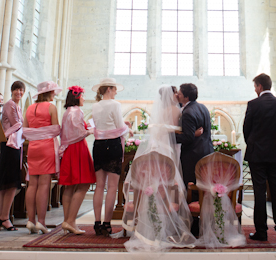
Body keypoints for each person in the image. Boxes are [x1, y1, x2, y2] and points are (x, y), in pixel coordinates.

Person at [122, 85, 196, 251]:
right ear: (171, 96)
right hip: (169, 149)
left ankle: (149, 222)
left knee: (155, 183)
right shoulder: (176, 110)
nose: (177, 94)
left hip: (157, 146)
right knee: (171, 185)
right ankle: (168, 224)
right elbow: (179, 132)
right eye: (175, 92)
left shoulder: (161, 111)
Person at [242, 73, 276, 241]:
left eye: (255, 86)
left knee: (259, 192)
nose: (255, 90)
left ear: (260, 86)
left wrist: (254, 143)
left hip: (257, 154)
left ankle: (261, 232)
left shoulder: (253, 105)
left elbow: (247, 129)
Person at [91, 78, 130, 236]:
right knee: (112, 187)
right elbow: (120, 128)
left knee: (99, 186)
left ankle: (96, 223)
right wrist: (128, 128)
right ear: (108, 89)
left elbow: (99, 125)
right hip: (113, 145)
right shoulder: (115, 104)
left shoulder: (95, 105)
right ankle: (107, 223)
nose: (115, 93)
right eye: (114, 90)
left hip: (98, 145)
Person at [23, 81, 61, 234]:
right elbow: (56, 129)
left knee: (32, 184)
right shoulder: (51, 107)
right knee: (44, 185)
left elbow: (25, 130)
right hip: (46, 147)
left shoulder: (30, 108)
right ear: (48, 93)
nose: (54, 94)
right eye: (53, 91)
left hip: (33, 148)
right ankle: (42, 222)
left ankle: (30, 220)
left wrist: (36, 133)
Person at [174, 83, 213, 236]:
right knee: (204, 187)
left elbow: (188, 137)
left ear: (186, 96)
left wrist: (169, 135)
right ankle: (206, 223)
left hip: (193, 156)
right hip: (207, 152)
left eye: (180, 93)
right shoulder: (202, 107)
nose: (178, 94)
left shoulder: (188, 112)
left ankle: (195, 227)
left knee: (193, 189)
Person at [58, 85, 96, 234]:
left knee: (69, 186)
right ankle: (71, 220)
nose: (84, 99)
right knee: (84, 184)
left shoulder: (67, 112)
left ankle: (68, 221)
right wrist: (92, 130)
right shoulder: (77, 111)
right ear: (77, 96)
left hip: (68, 150)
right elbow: (80, 133)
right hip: (77, 148)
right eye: (83, 96)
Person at [0, 80, 25, 231]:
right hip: (10, 145)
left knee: (8, 184)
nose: (19, 93)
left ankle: (2, 217)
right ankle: (4, 217)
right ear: (12, 91)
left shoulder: (17, 106)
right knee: (10, 183)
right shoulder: (10, 104)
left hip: (15, 144)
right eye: (17, 90)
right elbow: (17, 123)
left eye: (21, 90)